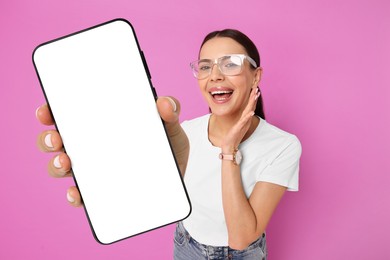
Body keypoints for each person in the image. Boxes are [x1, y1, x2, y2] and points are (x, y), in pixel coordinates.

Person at [36, 29, 301, 260]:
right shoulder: (184, 133)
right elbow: (144, 186)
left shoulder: (283, 146)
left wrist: (228, 150)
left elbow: (241, 238)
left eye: (230, 64)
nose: (215, 76)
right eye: (206, 66)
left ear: (256, 76)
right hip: (186, 245)